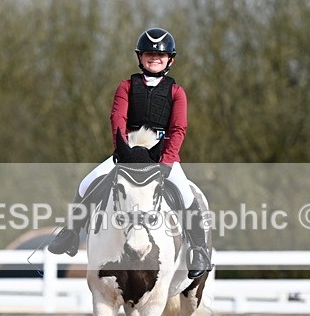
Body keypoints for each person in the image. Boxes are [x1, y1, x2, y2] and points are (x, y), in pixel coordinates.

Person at [48, 27, 212, 279]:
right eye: (148, 54)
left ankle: (199, 250)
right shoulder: (126, 86)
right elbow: (117, 118)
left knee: (186, 195)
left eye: (160, 55)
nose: (154, 58)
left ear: (170, 59)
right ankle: (70, 233)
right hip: (127, 151)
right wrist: (122, 149)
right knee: (87, 183)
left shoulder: (176, 92)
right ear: (140, 57)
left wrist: (167, 162)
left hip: (161, 154)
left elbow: (178, 129)